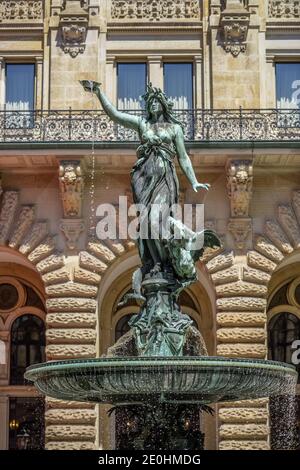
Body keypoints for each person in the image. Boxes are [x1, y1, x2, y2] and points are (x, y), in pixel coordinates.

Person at [80, 81, 214, 287]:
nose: (152, 105)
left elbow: (183, 157)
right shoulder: (143, 124)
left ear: (162, 104)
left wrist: (194, 181)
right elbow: (115, 115)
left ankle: (165, 261)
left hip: (164, 177)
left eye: (155, 102)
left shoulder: (175, 128)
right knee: (145, 225)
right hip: (143, 177)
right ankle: (156, 265)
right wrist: (99, 93)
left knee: (154, 221)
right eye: (149, 103)